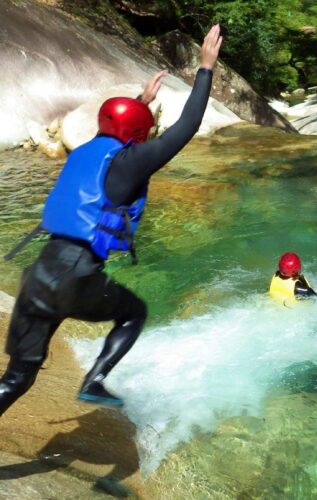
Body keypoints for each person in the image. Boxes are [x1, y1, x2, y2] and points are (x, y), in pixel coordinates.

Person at [0, 25, 223, 415]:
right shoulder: (130, 162)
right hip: (77, 275)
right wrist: (205, 69)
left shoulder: (84, 152)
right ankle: (95, 380)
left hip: (39, 273)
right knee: (133, 312)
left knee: (17, 378)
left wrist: (141, 100)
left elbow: (119, 130)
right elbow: (186, 128)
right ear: (138, 131)